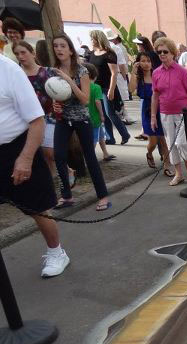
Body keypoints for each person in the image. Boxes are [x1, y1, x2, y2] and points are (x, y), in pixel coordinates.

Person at [0, 36, 69, 277]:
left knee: (37, 207)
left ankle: (56, 252)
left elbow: (37, 120)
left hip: (17, 147)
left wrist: (25, 158)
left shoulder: (10, 71)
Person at [51, 34, 111, 211]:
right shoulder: (55, 70)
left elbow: (85, 99)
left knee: (90, 157)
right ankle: (66, 195)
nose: (59, 49)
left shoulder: (82, 71)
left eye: (63, 46)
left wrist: (69, 81)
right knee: (58, 155)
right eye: (56, 46)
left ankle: (103, 196)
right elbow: (55, 94)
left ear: (70, 50)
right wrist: (55, 104)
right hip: (63, 119)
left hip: (82, 119)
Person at [13, 40, 81, 186]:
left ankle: (67, 171)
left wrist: (59, 103)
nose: (20, 56)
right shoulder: (17, 75)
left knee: (49, 151)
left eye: (23, 52)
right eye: (17, 54)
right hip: (28, 118)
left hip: (49, 115)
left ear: (33, 53)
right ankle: (51, 180)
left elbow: (63, 90)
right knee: (41, 154)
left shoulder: (47, 71)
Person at [151, 36, 187, 185]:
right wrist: (153, 116)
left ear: (172, 53)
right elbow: (155, 95)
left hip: (183, 113)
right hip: (165, 113)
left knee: (182, 143)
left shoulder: (182, 71)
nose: (162, 54)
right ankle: (179, 174)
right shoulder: (156, 73)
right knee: (171, 144)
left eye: (165, 51)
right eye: (159, 52)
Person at [129, 52, 171, 172]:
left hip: (160, 108)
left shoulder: (156, 74)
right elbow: (131, 89)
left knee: (162, 139)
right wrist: (133, 72)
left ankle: (167, 165)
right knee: (153, 142)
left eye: (148, 61)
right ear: (138, 63)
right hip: (147, 110)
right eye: (143, 61)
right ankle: (149, 153)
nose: (146, 63)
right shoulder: (138, 77)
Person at [88, 29, 130, 145]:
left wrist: (111, 89)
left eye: (92, 39)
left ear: (98, 39)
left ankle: (125, 134)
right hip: (96, 87)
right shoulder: (92, 53)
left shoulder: (109, 54)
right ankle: (110, 138)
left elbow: (114, 73)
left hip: (106, 87)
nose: (91, 41)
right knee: (103, 114)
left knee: (110, 113)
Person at [86, 64, 115, 163]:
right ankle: (90, 158)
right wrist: (102, 114)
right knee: (94, 138)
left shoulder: (82, 87)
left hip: (86, 116)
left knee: (101, 135)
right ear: (95, 75)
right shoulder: (96, 87)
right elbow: (97, 101)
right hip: (95, 116)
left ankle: (105, 153)